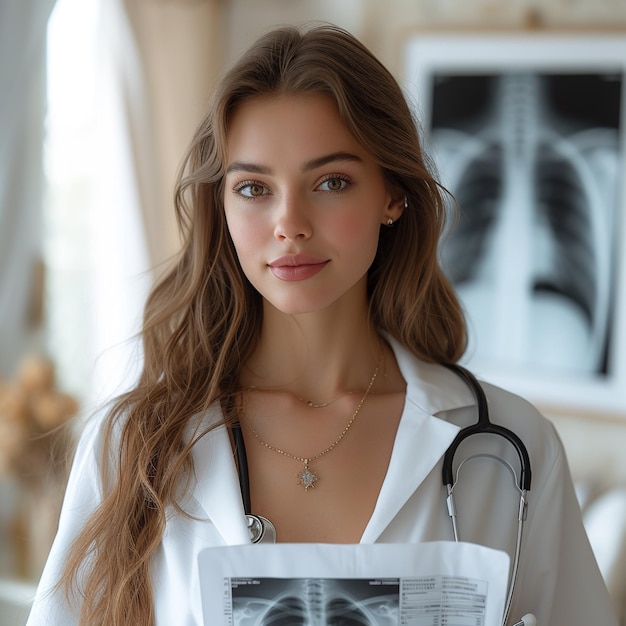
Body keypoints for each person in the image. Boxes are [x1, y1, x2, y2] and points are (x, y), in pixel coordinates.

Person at [27, 23, 616, 626]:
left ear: (393, 194)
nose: (289, 223)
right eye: (254, 187)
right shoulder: (134, 447)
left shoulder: (512, 447)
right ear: (221, 208)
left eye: (331, 182)